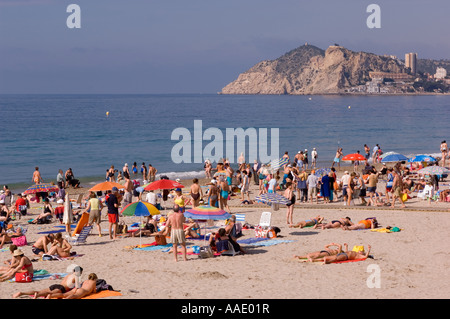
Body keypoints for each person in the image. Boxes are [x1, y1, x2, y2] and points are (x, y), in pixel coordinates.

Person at [13, 266, 82, 299]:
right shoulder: (76, 277)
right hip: (61, 288)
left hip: (56, 285)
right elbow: (77, 287)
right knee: (50, 293)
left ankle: (22, 293)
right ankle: (37, 295)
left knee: (39, 291)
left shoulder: (68, 275)